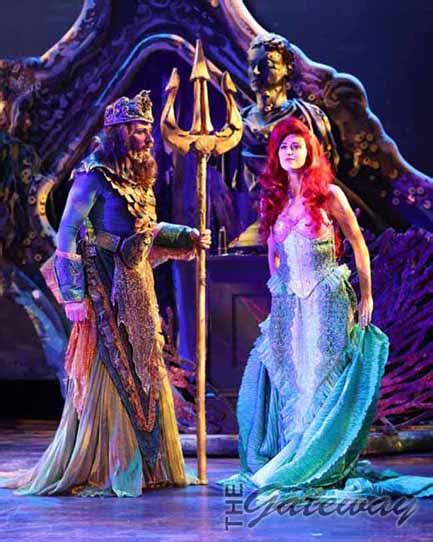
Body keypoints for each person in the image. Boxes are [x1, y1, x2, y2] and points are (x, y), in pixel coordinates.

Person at [0, 90, 210, 496]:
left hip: (138, 283)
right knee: (112, 366)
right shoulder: (93, 174)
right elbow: (66, 235)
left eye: (147, 129)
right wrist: (74, 294)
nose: (145, 137)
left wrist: (187, 235)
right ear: (117, 132)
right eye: (137, 129)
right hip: (103, 284)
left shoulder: (139, 177)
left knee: (146, 364)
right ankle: (112, 463)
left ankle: (152, 466)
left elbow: (147, 231)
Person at [221, 117, 433, 502]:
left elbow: (357, 242)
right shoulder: (275, 200)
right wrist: (279, 292)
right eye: (284, 147)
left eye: (296, 146)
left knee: (321, 375)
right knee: (292, 376)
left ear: (309, 151)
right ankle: (295, 452)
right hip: (291, 304)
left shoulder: (328, 194)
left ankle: (320, 458)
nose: (290, 152)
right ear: (276, 155)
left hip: (326, 297)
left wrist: (366, 296)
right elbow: (273, 251)